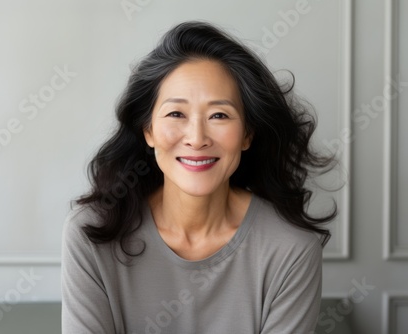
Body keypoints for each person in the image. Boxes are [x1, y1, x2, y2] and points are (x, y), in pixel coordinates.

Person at [61, 21, 337, 334]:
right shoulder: (92, 234)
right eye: (176, 114)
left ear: (247, 134)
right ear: (148, 130)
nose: (197, 138)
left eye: (219, 115)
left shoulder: (291, 248)